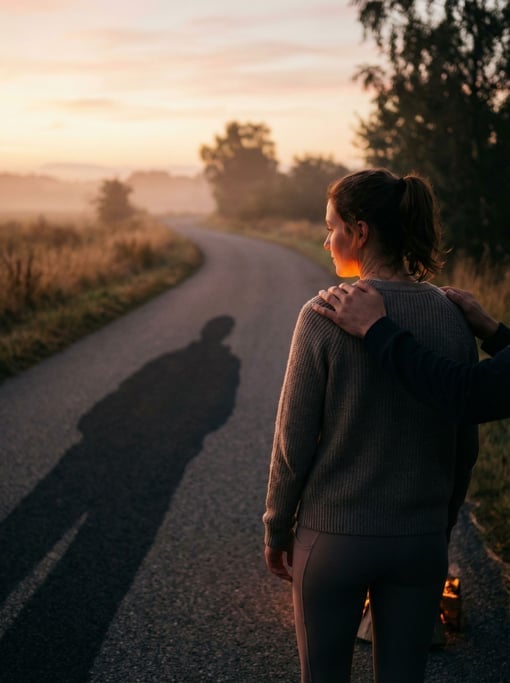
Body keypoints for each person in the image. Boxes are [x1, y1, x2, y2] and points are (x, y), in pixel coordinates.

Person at [263, 168, 479, 683]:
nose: (326, 238)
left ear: (359, 233)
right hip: (419, 540)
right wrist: (439, 522)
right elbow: (465, 444)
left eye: (332, 225)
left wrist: (276, 525)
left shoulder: (323, 315)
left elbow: (293, 444)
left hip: (334, 537)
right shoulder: (455, 317)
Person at [312, 282, 510, 424]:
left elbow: (468, 394)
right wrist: (496, 333)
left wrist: (375, 328)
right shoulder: (452, 315)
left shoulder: (317, 315)